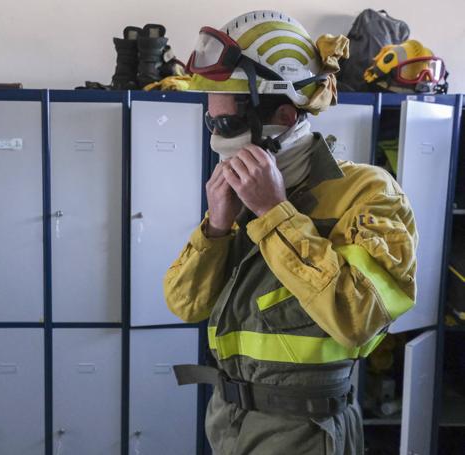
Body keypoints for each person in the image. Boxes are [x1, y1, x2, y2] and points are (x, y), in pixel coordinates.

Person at [164, 10, 417, 455]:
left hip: (306, 430)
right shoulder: (240, 202)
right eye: (212, 123)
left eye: (227, 125)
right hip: (227, 422)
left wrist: (275, 212)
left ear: (282, 113)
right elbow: (185, 304)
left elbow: (357, 319)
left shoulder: (369, 193)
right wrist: (218, 227)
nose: (217, 140)